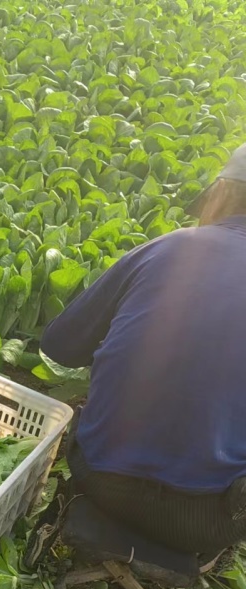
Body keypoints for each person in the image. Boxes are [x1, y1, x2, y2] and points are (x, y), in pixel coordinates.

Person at [40, 142, 246, 567]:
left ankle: (103, 523)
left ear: (221, 193)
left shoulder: (166, 248)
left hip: (100, 478)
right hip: (206, 520)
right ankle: (189, 556)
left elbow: (58, 345)